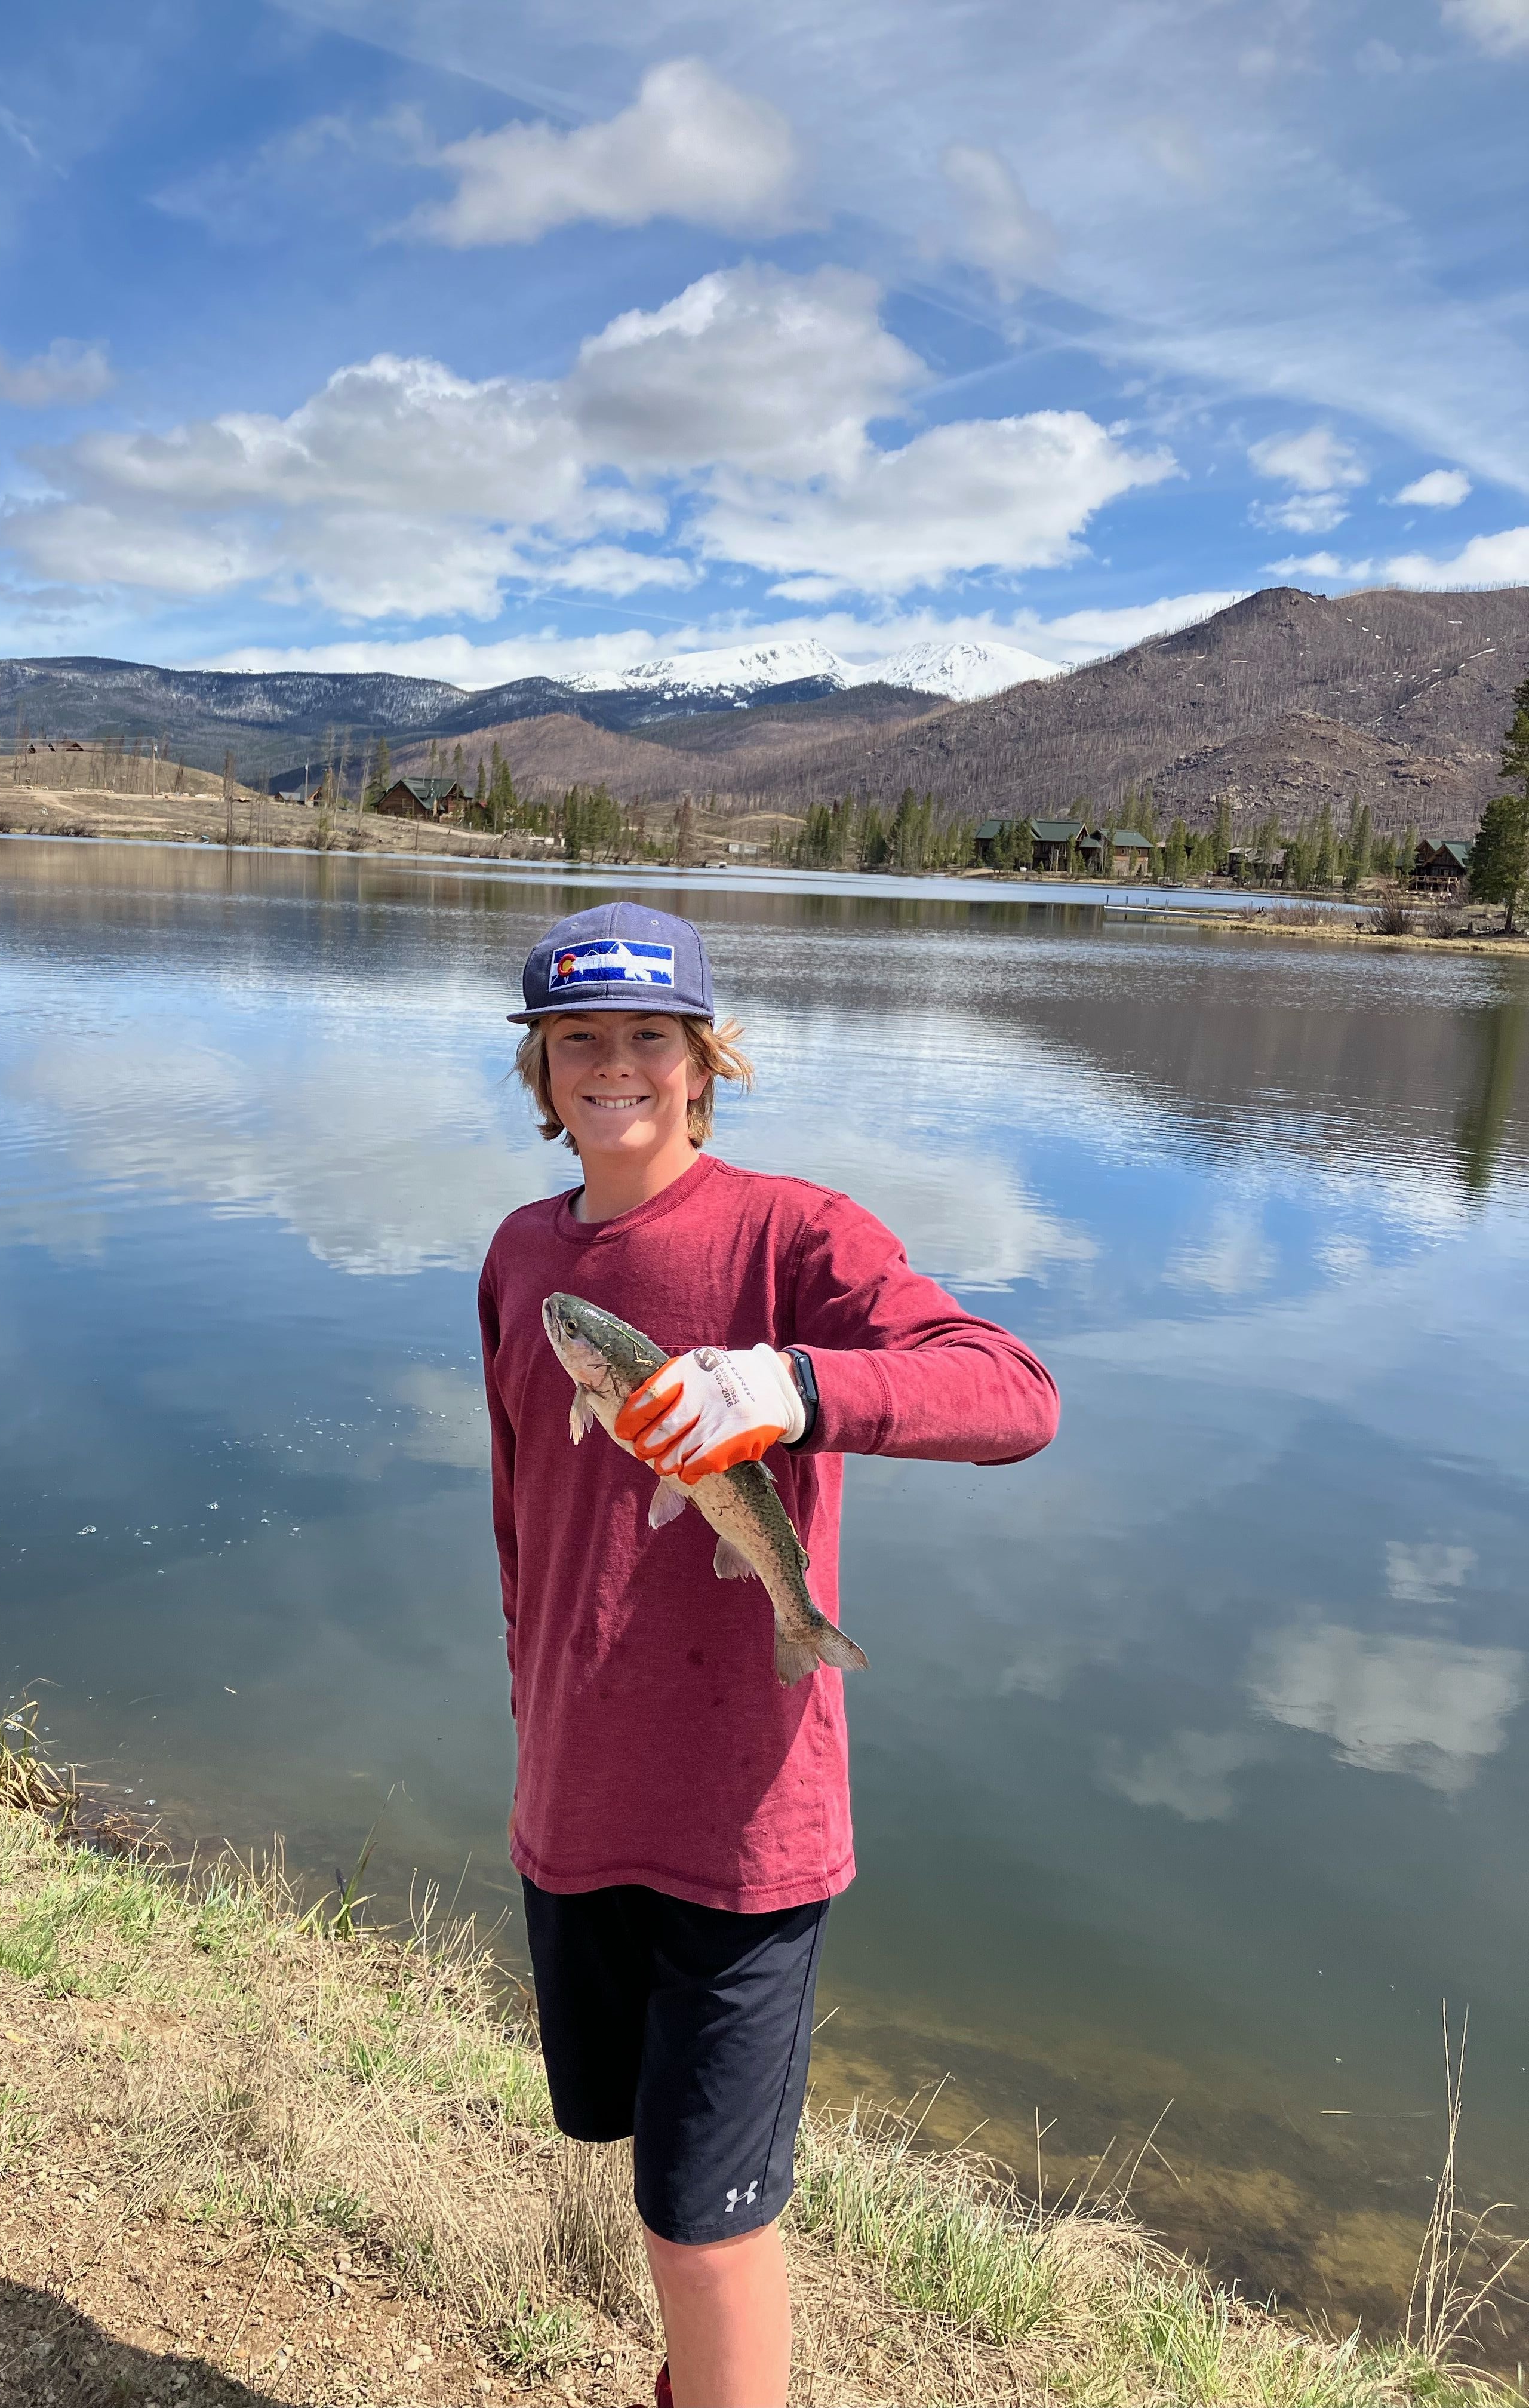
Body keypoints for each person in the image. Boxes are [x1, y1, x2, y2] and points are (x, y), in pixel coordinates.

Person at [478, 901, 1059, 2408]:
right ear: (540, 1070)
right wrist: (532, 1705)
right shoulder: (523, 1255)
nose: (615, 1067)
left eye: (649, 1037)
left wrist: (795, 1385)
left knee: (704, 2223)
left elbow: (1013, 1395)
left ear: (705, 1059)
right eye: (578, 1039)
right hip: (575, 1795)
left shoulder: (796, 1234)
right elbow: (524, 1512)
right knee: (642, 2169)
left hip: (746, 1821)